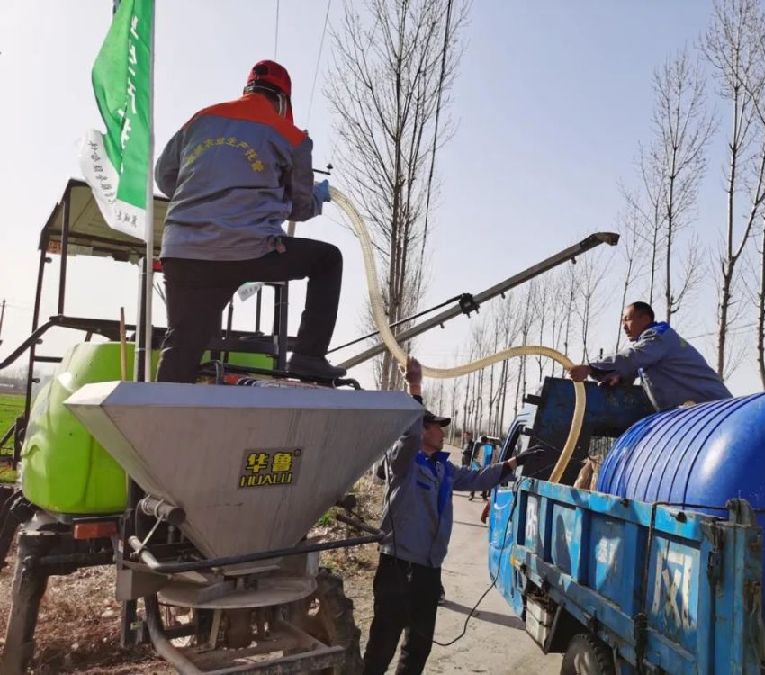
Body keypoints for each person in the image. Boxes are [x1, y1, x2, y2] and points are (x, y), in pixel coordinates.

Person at [154, 59, 345, 383]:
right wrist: (318, 197)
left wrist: (204, 202)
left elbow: (163, 176)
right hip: (248, 251)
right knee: (328, 260)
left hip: (183, 253)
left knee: (183, 344)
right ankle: (308, 356)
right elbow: (299, 207)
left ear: (247, 89)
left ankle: (157, 422)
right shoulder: (292, 136)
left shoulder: (201, 120)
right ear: (284, 101)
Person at [363, 358, 543, 675]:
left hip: (428, 569)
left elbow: (477, 479)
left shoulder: (443, 468)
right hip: (398, 566)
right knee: (382, 643)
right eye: (437, 426)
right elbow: (406, 434)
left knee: (418, 646)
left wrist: (514, 462)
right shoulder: (402, 462)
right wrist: (414, 386)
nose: (443, 432)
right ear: (422, 430)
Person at [569, 301, 732, 411]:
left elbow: (631, 358)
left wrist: (590, 367)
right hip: (700, 410)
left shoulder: (657, 337)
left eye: (627, 320)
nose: (624, 326)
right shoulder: (652, 347)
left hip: (715, 407)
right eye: (622, 322)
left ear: (645, 318)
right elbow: (631, 367)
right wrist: (617, 377)